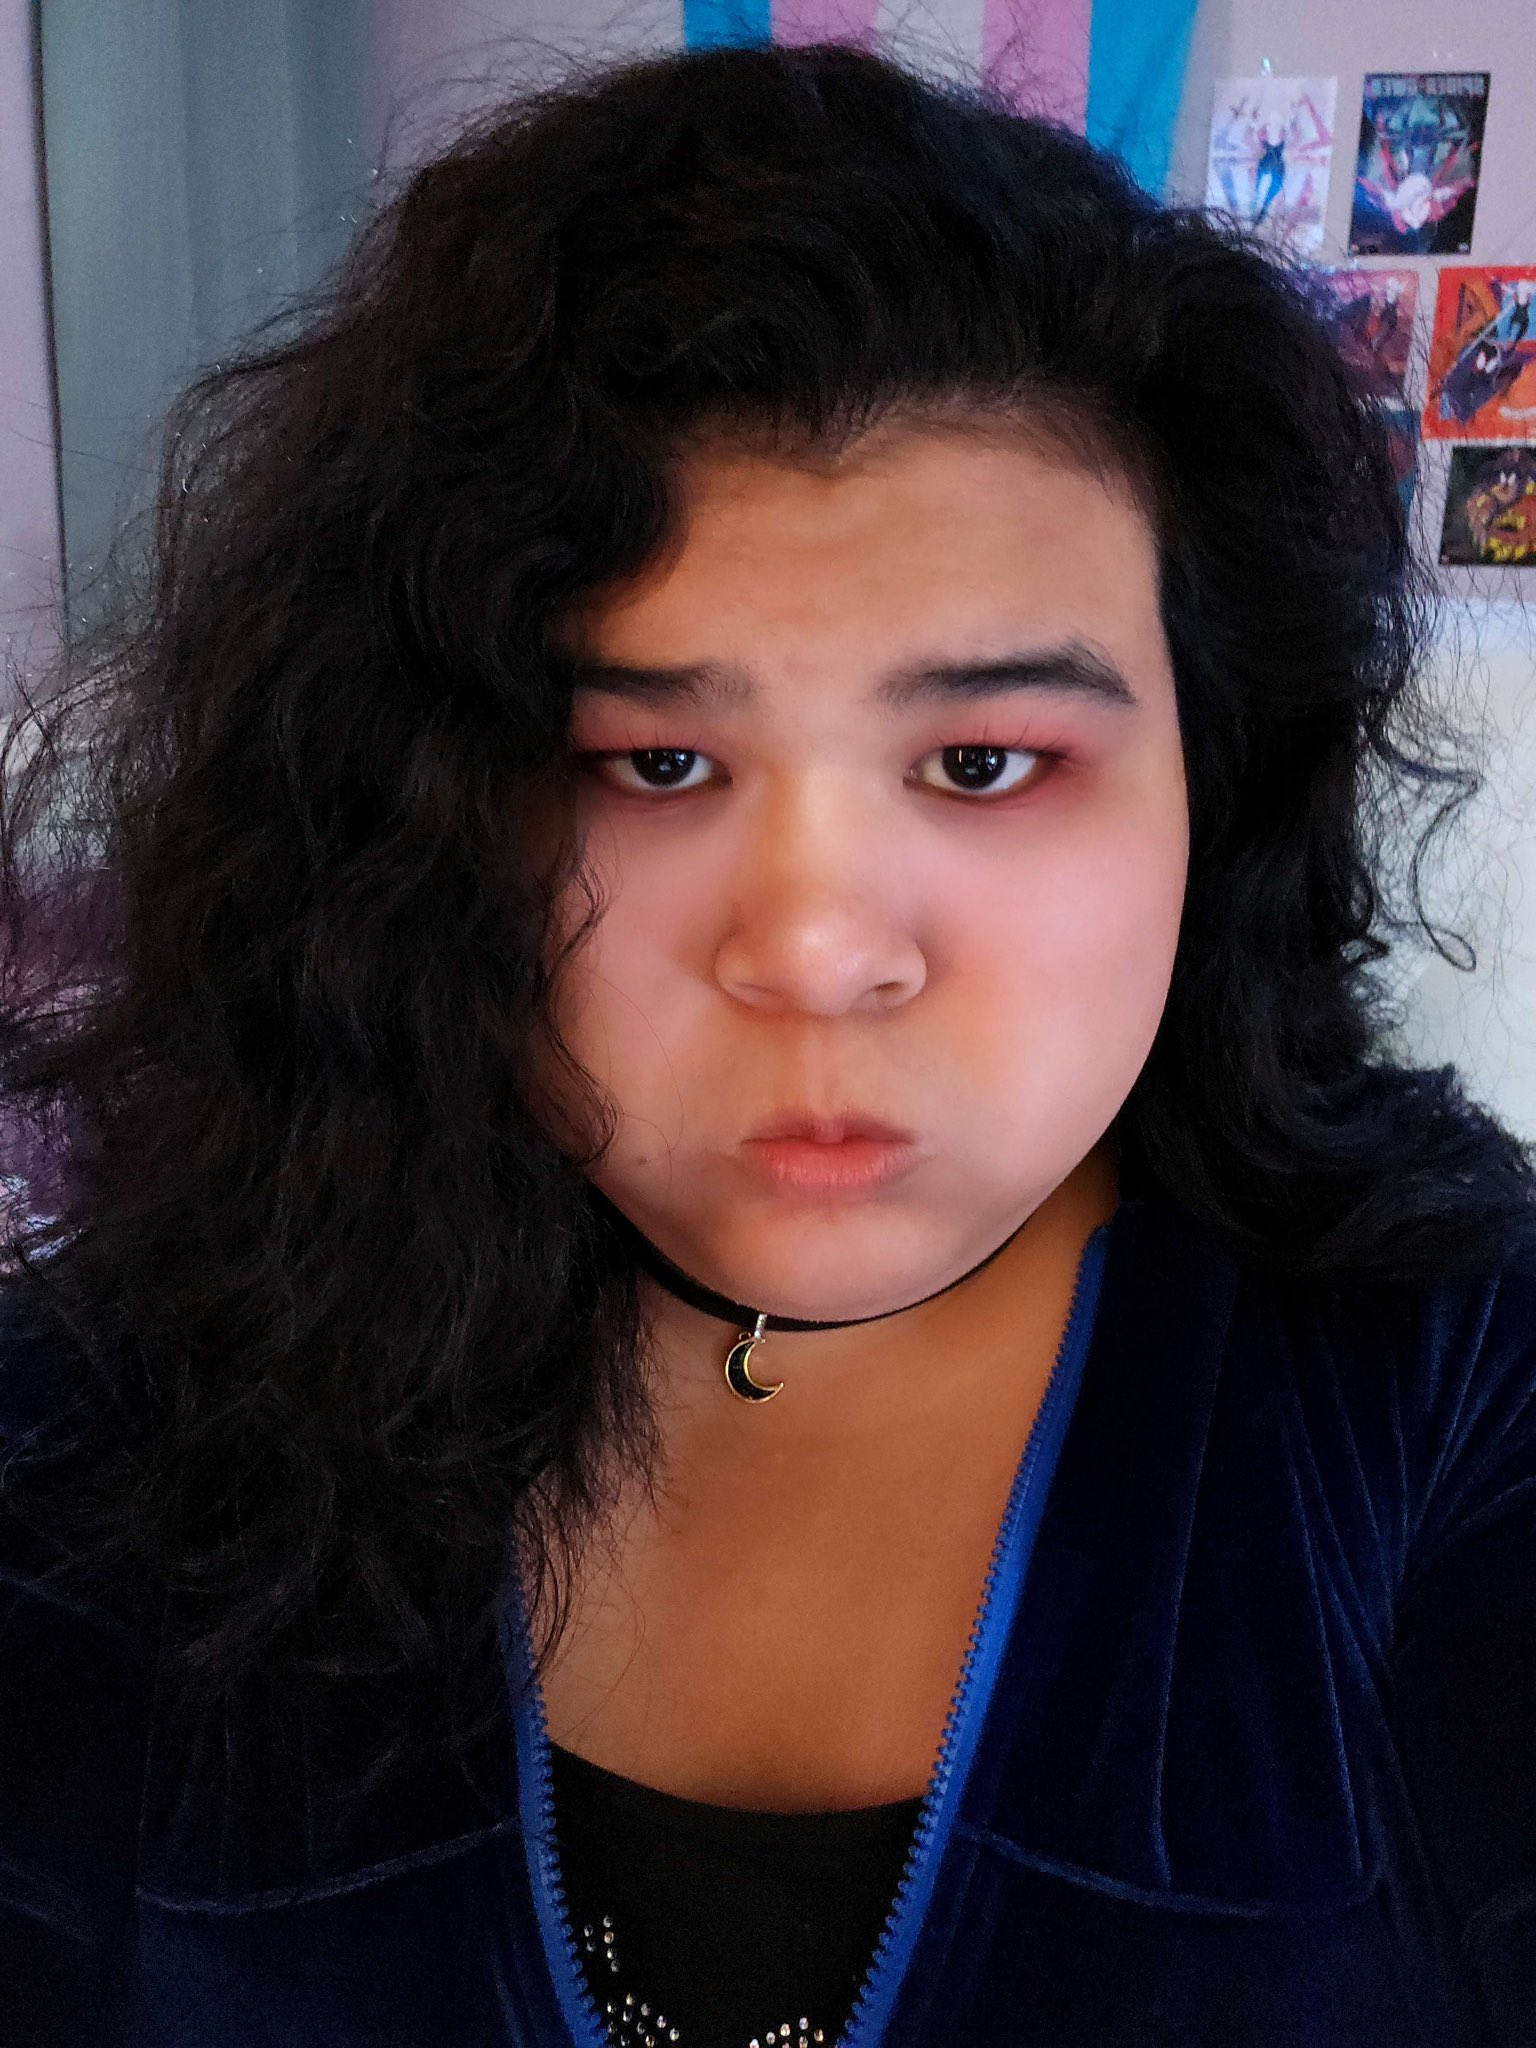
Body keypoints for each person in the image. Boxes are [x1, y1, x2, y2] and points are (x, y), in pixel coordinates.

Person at [1, 38, 1533, 2048]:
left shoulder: (1459, 1404)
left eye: (983, 762)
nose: (816, 950)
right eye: (654, 763)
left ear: (1214, 795)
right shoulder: (98, 1438)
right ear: (414, 819)